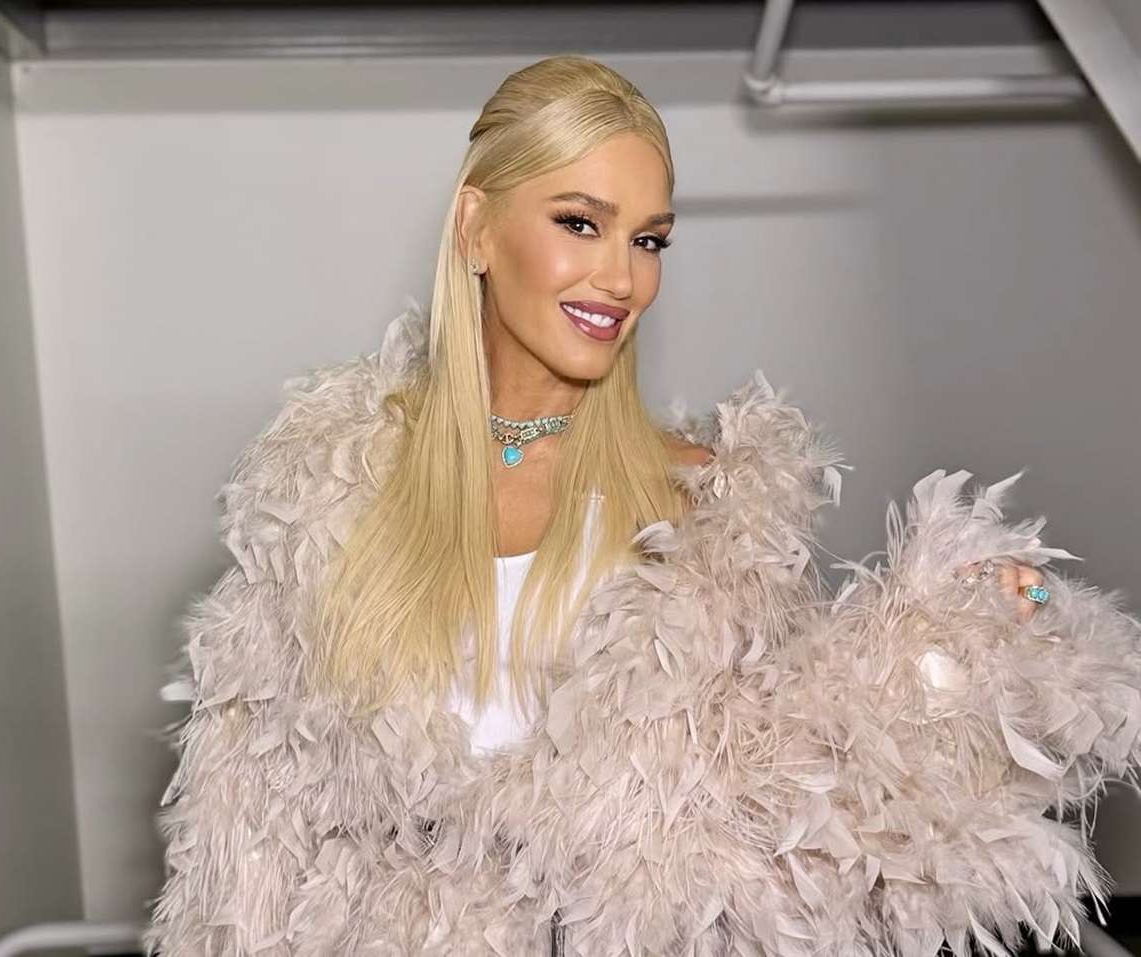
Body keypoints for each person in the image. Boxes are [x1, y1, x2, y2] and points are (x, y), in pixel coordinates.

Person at [144, 55, 1141, 956]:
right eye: (580, 223)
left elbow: (796, 785)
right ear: (477, 228)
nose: (621, 277)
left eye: (649, 239)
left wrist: (953, 635)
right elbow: (243, 838)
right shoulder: (326, 489)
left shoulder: (704, 506)